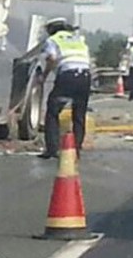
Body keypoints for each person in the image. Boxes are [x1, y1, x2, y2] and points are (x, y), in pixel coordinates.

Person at [37, 17, 92, 159]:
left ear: (51, 30)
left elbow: (52, 59)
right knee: (79, 114)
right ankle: (76, 150)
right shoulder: (78, 39)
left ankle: (52, 149)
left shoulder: (53, 40)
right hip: (85, 76)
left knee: (53, 111)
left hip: (67, 76)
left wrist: (44, 75)